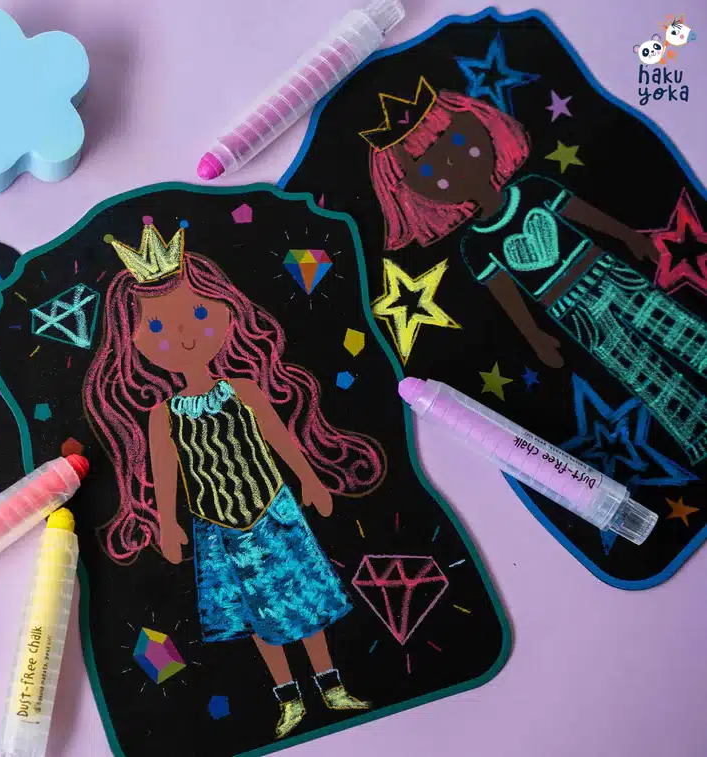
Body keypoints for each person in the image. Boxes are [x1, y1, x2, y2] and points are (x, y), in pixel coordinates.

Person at [84, 219, 386, 738]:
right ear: (133, 341)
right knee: (256, 614)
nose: (183, 335)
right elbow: (165, 470)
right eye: (158, 328)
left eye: (199, 314)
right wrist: (167, 524)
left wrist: (310, 479)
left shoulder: (242, 389)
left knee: (303, 602)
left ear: (227, 311)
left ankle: (330, 685)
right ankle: (289, 698)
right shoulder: (163, 414)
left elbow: (279, 437)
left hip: (273, 511)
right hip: (218, 527)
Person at [367, 79, 706, 464]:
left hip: (608, 273)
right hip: (570, 309)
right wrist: (535, 336)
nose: (452, 162)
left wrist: (629, 237)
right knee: (635, 366)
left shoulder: (533, 189)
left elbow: (584, 215)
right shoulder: (476, 245)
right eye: (429, 167)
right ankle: (697, 428)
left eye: (457, 141)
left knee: (673, 324)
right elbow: (507, 293)